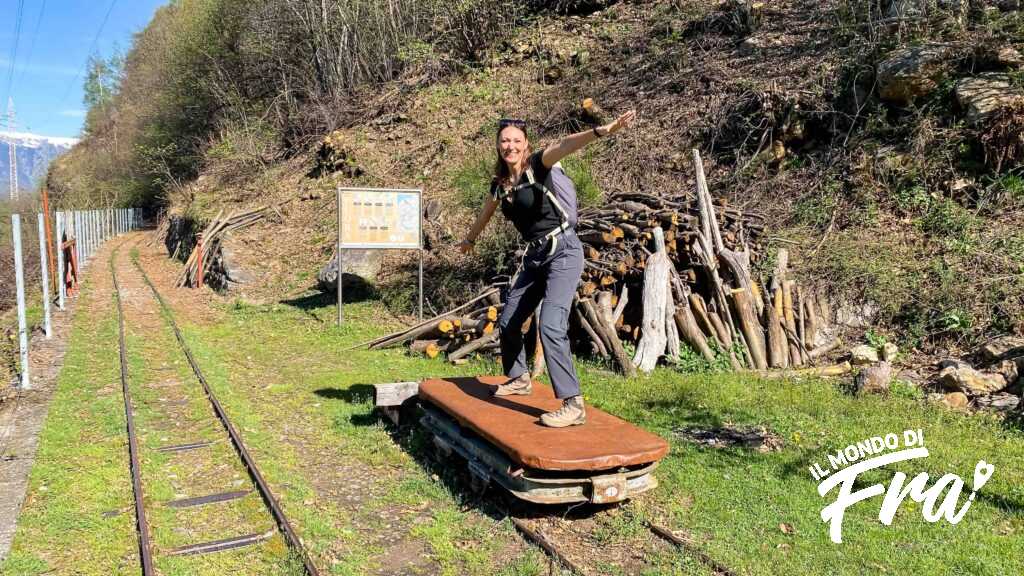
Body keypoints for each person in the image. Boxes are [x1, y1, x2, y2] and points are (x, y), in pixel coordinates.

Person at [459, 110, 636, 427]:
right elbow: (487, 211)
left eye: (516, 141)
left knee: (552, 325)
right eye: (504, 141)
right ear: (498, 145)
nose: (510, 146)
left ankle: (573, 404)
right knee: (510, 319)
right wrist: (470, 239)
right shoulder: (501, 183)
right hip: (535, 257)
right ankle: (519, 378)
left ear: (525, 144)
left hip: (564, 252)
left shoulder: (538, 165)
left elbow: (566, 144)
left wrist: (602, 131)